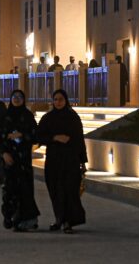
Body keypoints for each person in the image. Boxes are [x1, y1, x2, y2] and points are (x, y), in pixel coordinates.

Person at [37, 89, 87, 234]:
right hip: (54, 161)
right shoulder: (48, 118)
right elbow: (39, 136)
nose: (58, 102)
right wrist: (54, 138)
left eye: (61, 99)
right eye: (56, 99)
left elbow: (79, 139)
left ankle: (68, 221)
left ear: (66, 101)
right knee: (56, 190)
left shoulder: (73, 118)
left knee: (69, 191)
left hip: (70, 160)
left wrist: (83, 161)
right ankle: (60, 219)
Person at [0, 89, 40, 232]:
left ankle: (26, 220)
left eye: (20, 97)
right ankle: (10, 217)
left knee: (25, 189)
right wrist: (4, 153)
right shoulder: (4, 117)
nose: (17, 99)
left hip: (24, 161)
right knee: (10, 189)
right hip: (9, 160)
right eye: (14, 96)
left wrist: (22, 134)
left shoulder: (28, 116)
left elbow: (35, 135)